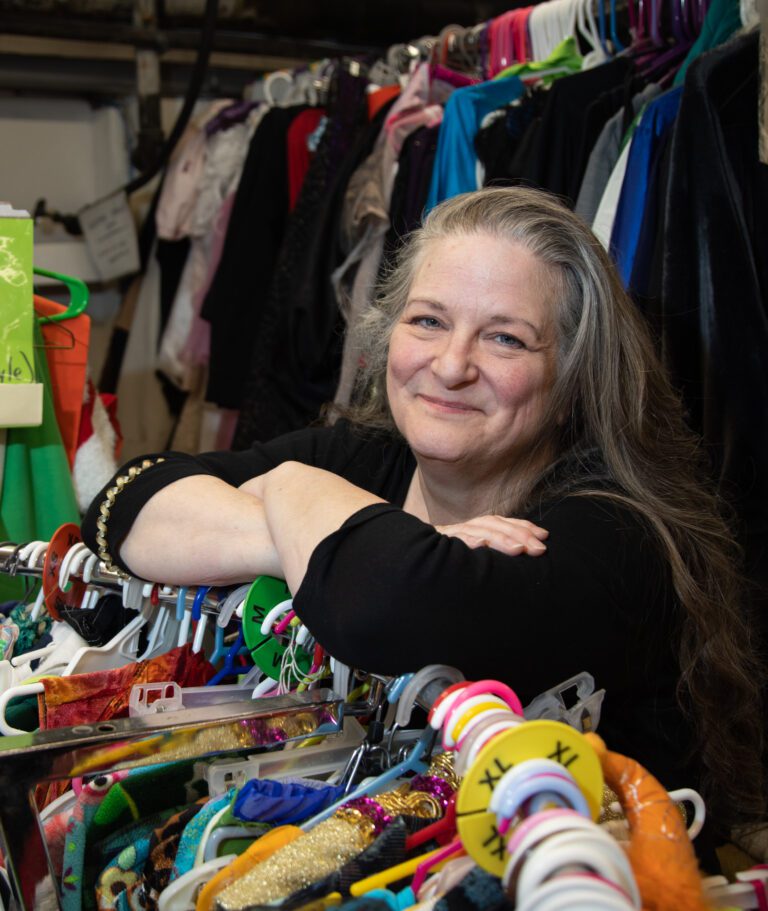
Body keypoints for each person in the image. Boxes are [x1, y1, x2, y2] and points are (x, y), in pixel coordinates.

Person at [82, 186, 764, 852]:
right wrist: (322, 533)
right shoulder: (363, 460)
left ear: (571, 386)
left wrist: (293, 492)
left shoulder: (617, 537)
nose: (451, 364)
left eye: (505, 338)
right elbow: (125, 506)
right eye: (429, 321)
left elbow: (386, 608)